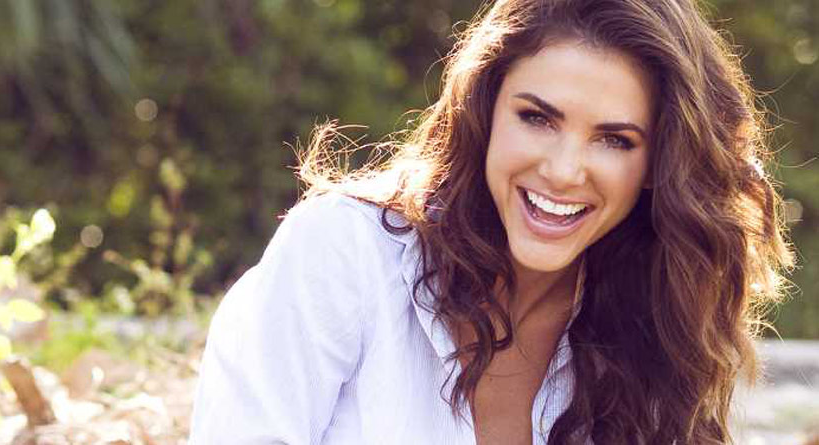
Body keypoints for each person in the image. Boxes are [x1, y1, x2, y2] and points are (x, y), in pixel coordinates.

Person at [189, 0, 795, 443]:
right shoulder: (344, 252)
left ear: (659, 164)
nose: (563, 171)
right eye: (537, 118)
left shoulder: (655, 336)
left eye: (614, 139)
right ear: (485, 112)